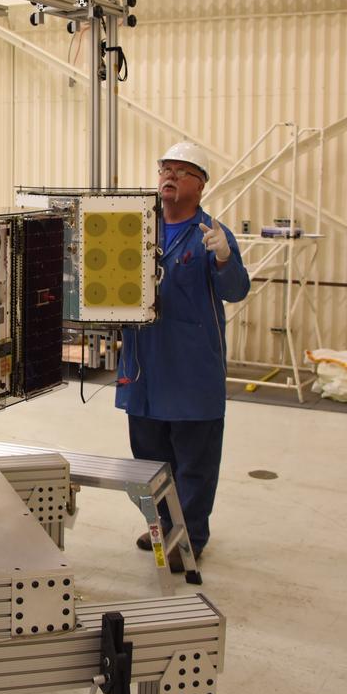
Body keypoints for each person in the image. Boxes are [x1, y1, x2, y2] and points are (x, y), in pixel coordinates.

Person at [115, 141, 250, 570]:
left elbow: (236, 291)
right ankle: (162, 528)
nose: (169, 176)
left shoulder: (212, 235)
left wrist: (226, 259)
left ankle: (189, 538)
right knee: (150, 461)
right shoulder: (137, 230)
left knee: (193, 465)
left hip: (193, 372)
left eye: (181, 170)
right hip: (143, 369)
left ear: (201, 184)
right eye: (165, 168)